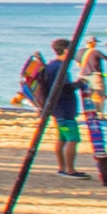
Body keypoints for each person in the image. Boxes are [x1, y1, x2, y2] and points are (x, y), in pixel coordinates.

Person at [34, 39, 86, 178]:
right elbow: (65, 88)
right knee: (72, 139)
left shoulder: (52, 65)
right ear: (66, 50)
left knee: (62, 138)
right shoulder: (59, 67)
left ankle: (62, 167)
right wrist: (79, 84)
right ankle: (70, 169)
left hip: (56, 108)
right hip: (64, 108)